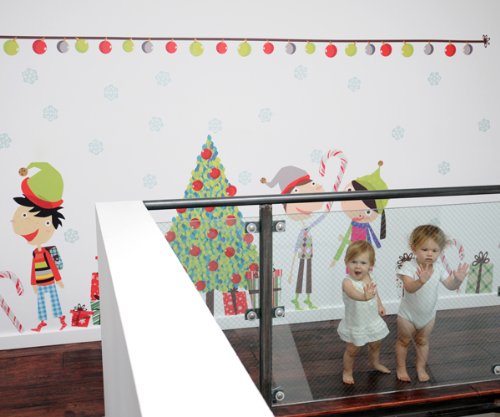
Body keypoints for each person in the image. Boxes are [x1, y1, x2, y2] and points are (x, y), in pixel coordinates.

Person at [395, 225, 469, 382]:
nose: (430, 254)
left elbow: (450, 285)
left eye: (435, 250)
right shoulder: (408, 267)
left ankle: (421, 368)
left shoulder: (438, 267)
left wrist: (457, 280)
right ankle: (401, 368)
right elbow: (409, 288)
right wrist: (420, 281)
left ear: (440, 251)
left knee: (423, 342)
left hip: (428, 316)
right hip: (407, 316)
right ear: (414, 248)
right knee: (403, 341)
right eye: (425, 249)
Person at [11, 162, 67, 332]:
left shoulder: (45, 253)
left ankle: (61, 319)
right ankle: (42, 322)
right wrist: (33, 283)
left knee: (55, 300)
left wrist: (58, 279)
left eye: (46, 222)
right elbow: (33, 269)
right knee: (41, 302)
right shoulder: (35, 253)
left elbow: (52, 266)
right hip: (41, 284)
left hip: (50, 281)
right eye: (25, 215)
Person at [262, 166, 327, 310]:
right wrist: (291, 268)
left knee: (308, 277)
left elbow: (320, 219)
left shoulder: (309, 226)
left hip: (309, 256)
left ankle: (307, 299)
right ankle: (297, 299)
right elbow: (295, 248)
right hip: (301, 256)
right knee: (300, 276)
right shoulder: (302, 228)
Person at [337, 240, 390, 384]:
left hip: (372, 319)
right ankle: (347, 371)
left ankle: (375, 363)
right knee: (352, 349)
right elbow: (353, 293)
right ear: (346, 262)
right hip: (356, 322)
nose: (358, 266)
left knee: (376, 344)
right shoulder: (347, 282)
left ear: (370, 265)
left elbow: (375, 293)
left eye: (363, 263)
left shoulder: (371, 277)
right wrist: (364, 297)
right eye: (353, 261)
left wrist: (380, 305)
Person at [331, 161, 388, 268]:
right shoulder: (354, 224)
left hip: (364, 255)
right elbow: (349, 242)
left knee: (362, 263)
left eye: (368, 211)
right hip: (353, 254)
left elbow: (369, 241)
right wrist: (336, 257)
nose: (360, 214)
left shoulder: (364, 228)